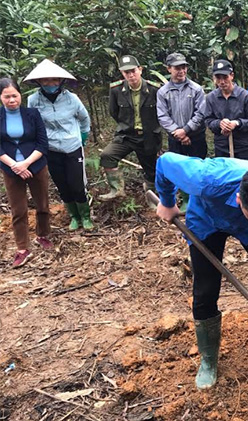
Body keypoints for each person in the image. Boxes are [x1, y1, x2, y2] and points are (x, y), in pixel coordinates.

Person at [155, 153, 248, 390]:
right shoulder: (206, 179)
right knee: (205, 290)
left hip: (247, 229)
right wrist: (167, 201)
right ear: (238, 200)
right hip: (207, 221)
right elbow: (164, 163)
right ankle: (209, 360)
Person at [25, 59, 93, 231]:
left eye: (54, 79)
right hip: (51, 148)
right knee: (62, 184)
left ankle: (85, 216)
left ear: (61, 81)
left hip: (72, 146)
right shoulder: (33, 100)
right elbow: (32, 124)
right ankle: (74, 217)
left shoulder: (72, 99)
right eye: (46, 80)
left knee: (77, 184)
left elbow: (84, 119)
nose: (50, 84)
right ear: (39, 82)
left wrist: (83, 136)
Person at [0, 78, 53, 267]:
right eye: (7, 97)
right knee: (18, 209)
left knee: (42, 203)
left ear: (20, 95)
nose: (11, 100)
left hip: (36, 165)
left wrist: (26, 163)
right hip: (10, 168)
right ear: (1, 98)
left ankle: (43, 235)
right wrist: (15, 165)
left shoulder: (32, 114)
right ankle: (22, 248)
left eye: (14, 95)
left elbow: (43, 143)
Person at [101, 55, 163, 200]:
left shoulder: (154, 89)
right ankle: (117, 190)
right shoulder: (116, 90)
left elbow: (161, 113)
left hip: (148, 135)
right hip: (126, 135)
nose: (130, 75)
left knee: (151, 170)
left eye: (133, 71)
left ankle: (152, 197)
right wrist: (127, 125)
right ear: (122, 74)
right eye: (126, 72)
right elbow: (114, 112)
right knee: (107, 155)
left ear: (140, 70)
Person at [156, 52, 207, 213]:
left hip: (195, 137)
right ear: (169, 69)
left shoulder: (196, 89)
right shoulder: (163, 92)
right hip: (175, 138)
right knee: (180, 169)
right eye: (177, 68)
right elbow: (162, 115)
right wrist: (176, 132)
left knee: (198, 168)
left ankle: (198, 201)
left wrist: (186, 131)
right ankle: (185, 200)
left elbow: (200, 113)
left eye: (184, 67)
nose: (181, 71)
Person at [204, 59, 248, 160]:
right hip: (221, 147)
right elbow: (208, 120)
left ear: (232, 75)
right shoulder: (211, 97)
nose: (222, 82)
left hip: (243, 148)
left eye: (225, 77)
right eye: (218, 78)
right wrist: (220, 124)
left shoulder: (245, 96)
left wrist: (237, 123)